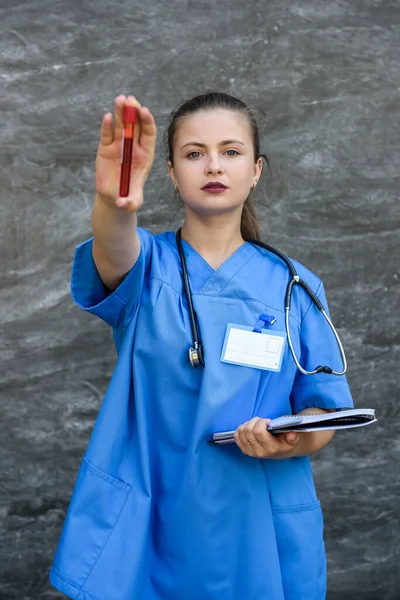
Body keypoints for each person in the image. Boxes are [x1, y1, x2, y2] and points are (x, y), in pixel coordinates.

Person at [49, 91, 354, 600]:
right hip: (156, 519)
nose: (213, 164)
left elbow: (324, 418)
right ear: (170, 172)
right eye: (194, 153)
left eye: (231, 152)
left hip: (259, 523)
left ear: (256, 170)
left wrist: (288, 440)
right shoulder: (147, 268)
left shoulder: (295, 287)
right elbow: (114, 244)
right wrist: (112, 202)